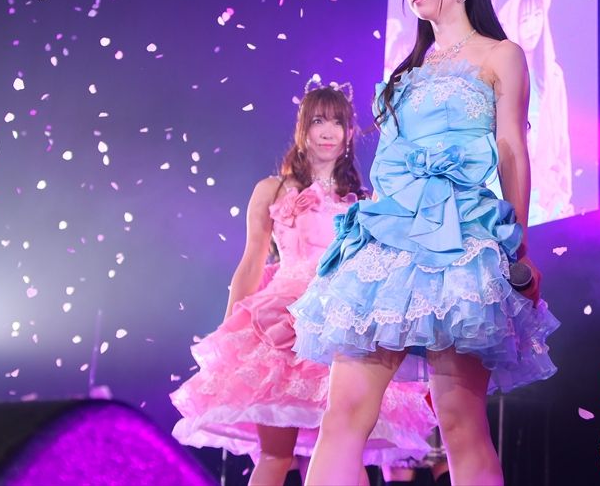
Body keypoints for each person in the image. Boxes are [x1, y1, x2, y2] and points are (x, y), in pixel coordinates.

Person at [290, 0, 559, 486]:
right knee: (342, 417)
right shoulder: (407, 73)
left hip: (460, 243)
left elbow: (512, 150)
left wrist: (520, 249)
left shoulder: (502, 54)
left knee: (460, 424)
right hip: (391, 241)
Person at [170, 83, 435, 486]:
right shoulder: (271, 190)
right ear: (303, 129)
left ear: (349, 133)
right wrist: (227, 331)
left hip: (339, 320)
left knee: (344, 447)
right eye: (318, 121)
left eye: (337, 122)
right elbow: (251, 262)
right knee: (276, 455)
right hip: (280, 322)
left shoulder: (364, 201)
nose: (328, 131)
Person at [498, 0, 573, 223]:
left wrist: (562, 195)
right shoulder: (499, 80)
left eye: (538, 15)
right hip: (509, 198)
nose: (533, 27)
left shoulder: (553, 76)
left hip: (549, 200)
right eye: (525, 20)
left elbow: (562, 143)